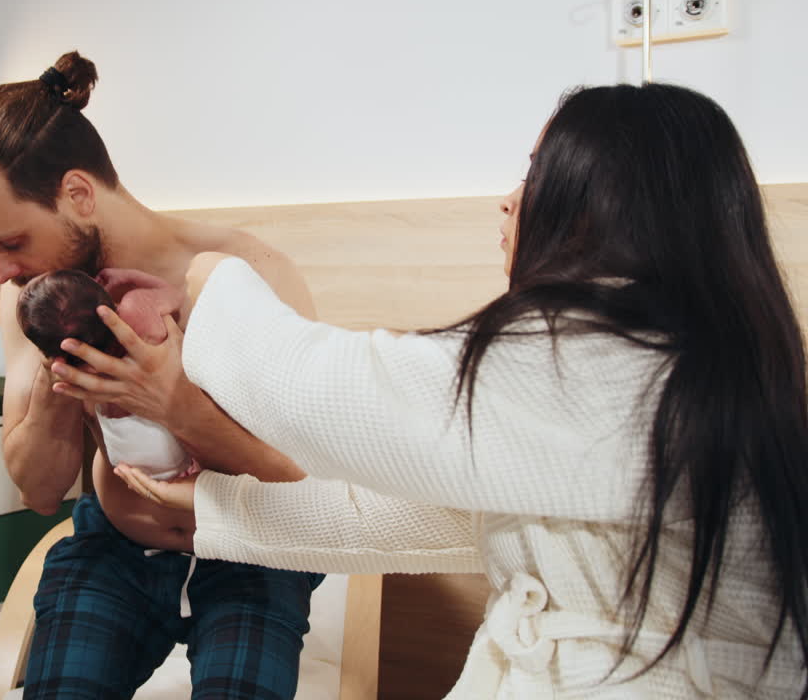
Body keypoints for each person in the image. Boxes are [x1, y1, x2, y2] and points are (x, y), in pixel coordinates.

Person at [49, 83, 808, 697]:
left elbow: (324, 386)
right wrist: (217, 506)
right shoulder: (682, 364)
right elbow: (398, 518)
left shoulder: (618, 368)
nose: (508, 201)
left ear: (607, 205)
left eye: (536, 174)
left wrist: (206, 277)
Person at [0, 51, 322, 699]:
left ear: (78, 194)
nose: (1, 275)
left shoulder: (240, 272)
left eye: (10, 242)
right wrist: (54, 372)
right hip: (115, 549)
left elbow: (305, 490)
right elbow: (39, 490)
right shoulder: (31, 295)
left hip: (250, 551)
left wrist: (177, 405)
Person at [17, 268, 196, 480]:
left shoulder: (70, 369)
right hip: (174, 446)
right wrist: (130, 277)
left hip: (126, 456)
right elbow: (176, 295)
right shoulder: (135, 310)